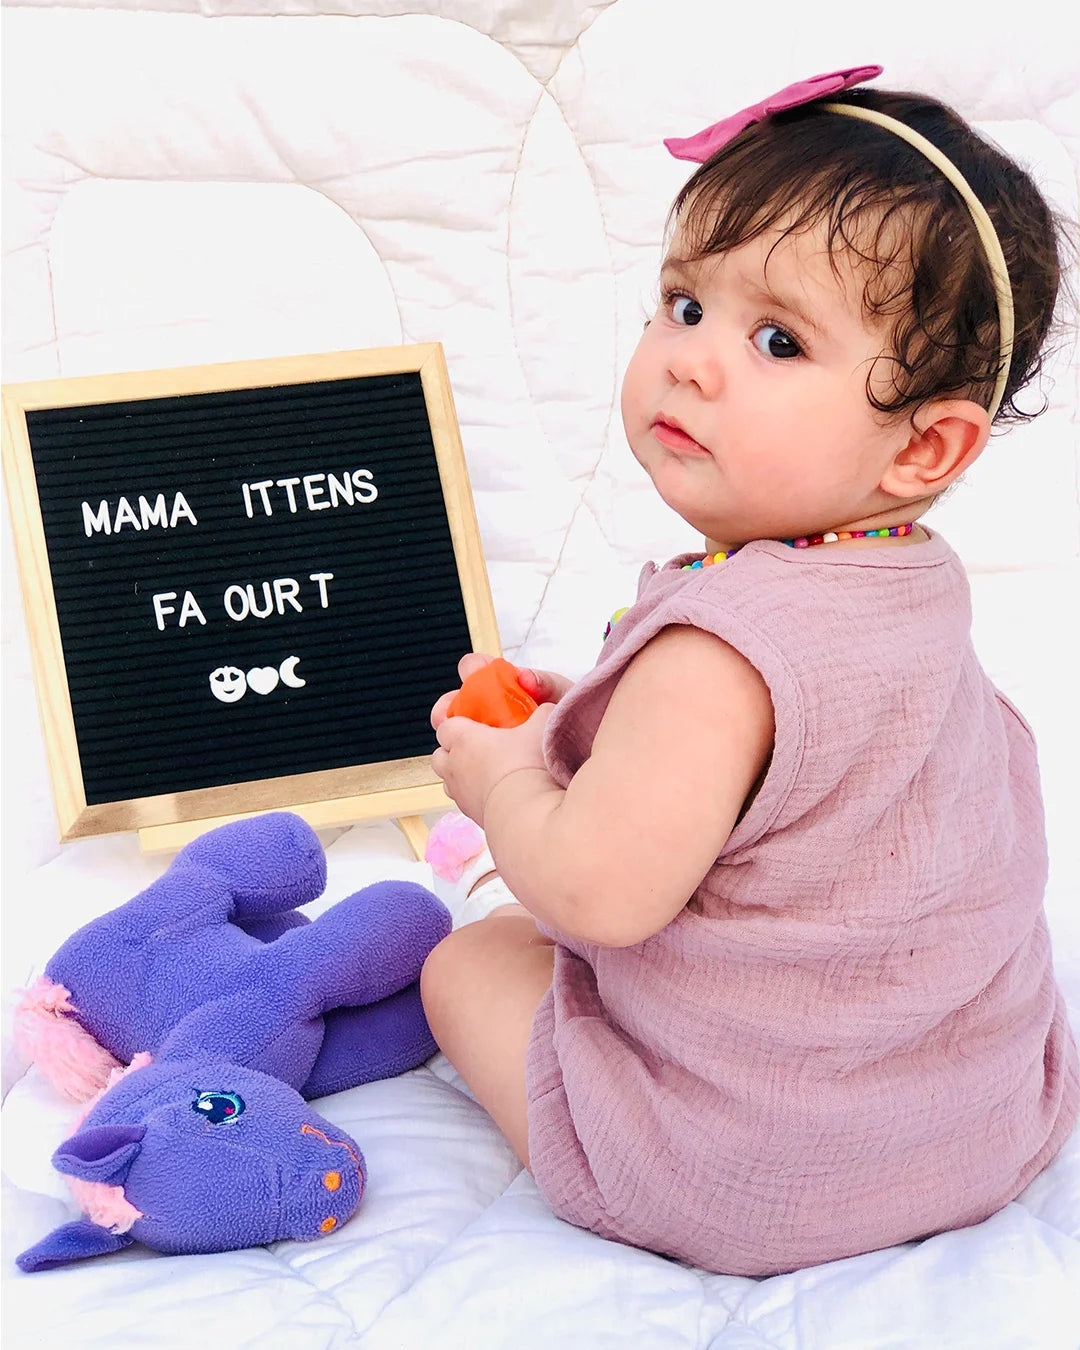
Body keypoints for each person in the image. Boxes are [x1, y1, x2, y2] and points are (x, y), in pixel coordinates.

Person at [418, 66, 1080, 1276]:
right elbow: (814, 784)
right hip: (983, 1124)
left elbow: (603, 900)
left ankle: (627, 1154)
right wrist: (606, 731)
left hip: (742, 1180)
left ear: (925, 443)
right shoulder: (909, 581)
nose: (693, 362)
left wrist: (508, 781)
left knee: (469, 958)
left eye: (777, 340)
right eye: (682, 304)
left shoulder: (717, 653)